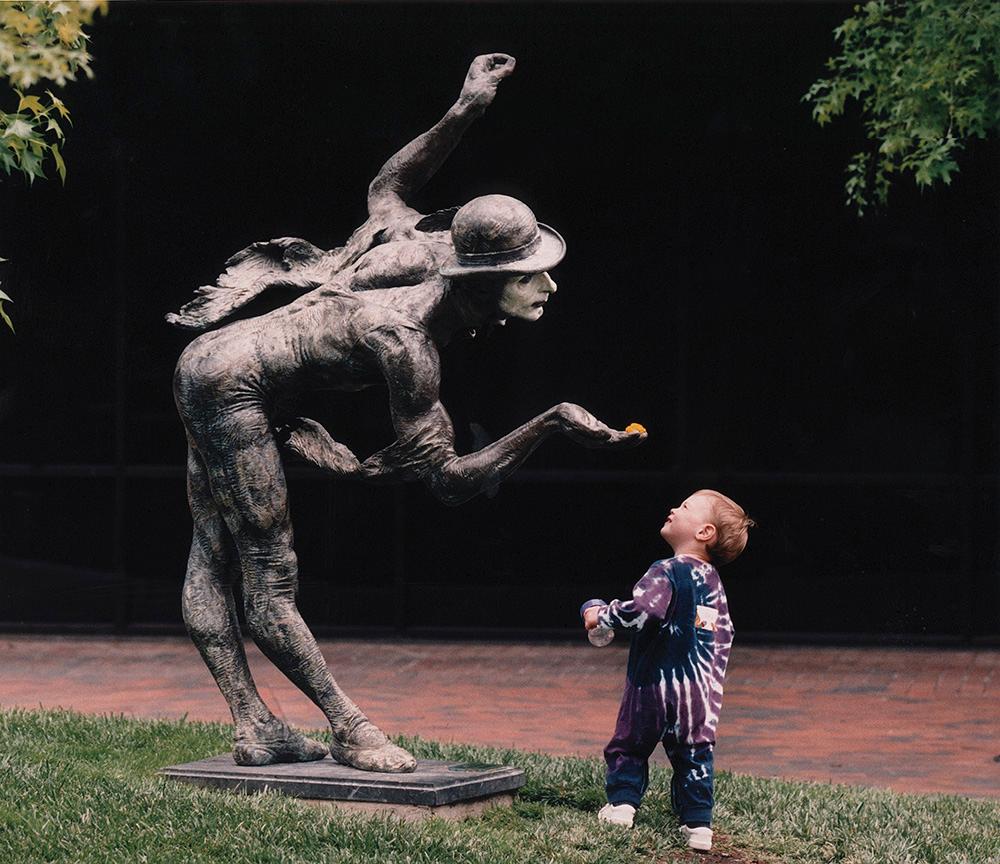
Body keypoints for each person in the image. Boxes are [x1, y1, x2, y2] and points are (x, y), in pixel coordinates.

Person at [169, 53, 646, 774]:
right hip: (230, 384)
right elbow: (449, 479)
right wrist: (550, 423)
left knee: (212, 549)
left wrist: (465, 108)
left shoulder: (425, 249)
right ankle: (351, 729)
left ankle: (254, 727)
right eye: (529, 275)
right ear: (483, 283)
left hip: (218, 362)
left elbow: (388, 187)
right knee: (267, 572)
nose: (547, 283)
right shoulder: (408, 344)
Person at [583, 490, 753, 851]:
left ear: (705, 533)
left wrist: (602, 614)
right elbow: (724, 635)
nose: (674, 508)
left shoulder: (666, 570)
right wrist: (711, 689)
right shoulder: (714, 584)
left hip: (653, 685)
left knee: (629, 745)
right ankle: (698, 826)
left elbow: (645, 611)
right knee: (694, 755)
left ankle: (622, 806)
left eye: (686, 506)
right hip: (698, 694)